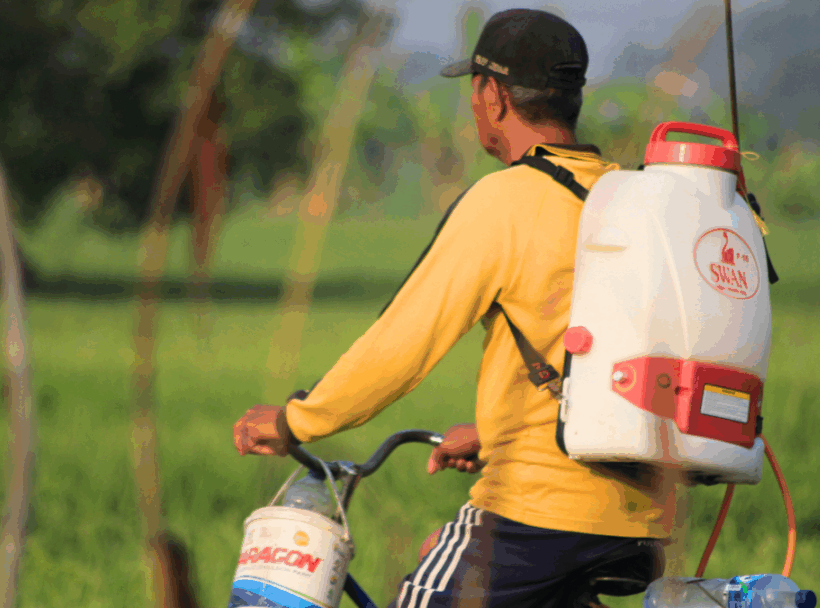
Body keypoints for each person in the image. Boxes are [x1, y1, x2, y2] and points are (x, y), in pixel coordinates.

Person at [233, 8, 675, 608]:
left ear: (492, 96)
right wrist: (495, 434)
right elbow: (596, 356)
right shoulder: (626, 198)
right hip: (646, 515)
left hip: (536, 511)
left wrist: (294, 422)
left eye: (474, 92)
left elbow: (402, 342)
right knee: (435, 549)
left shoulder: (507, 200)